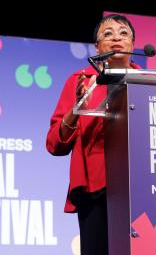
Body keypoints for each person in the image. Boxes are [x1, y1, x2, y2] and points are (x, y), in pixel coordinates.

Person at [46, 14, 141, 255]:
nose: (116, 38)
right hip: (96, 188)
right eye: (108, 34)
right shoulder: (81, 81)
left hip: (143, 187)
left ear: (133, 44)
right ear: (97, 47)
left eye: (123, 33)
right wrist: (77, 108)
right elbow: (54, 144)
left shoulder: (150, 83)